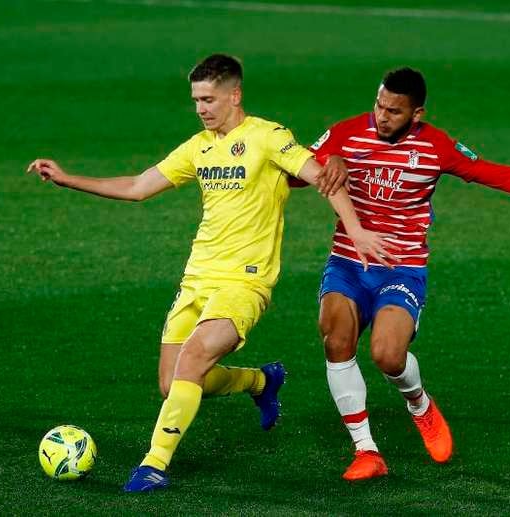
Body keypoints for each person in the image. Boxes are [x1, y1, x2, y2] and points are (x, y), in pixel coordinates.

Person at [27, 54, 393, 492]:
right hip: (197, 279)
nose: (201, 108)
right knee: (172, 383)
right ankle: (260, 381)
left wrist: (357, 232)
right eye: (196, 100)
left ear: (234, 95)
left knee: (194, 359)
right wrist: (69, 179)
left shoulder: (268, 137)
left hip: (245, 281)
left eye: (209, 99)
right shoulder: (198, 147)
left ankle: (153, 465)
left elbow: (323, 178)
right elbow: (139, 187)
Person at [309, 67, 510, 481]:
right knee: (336, 338)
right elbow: (292, 169)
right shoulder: (346, 133)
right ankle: (366, 450)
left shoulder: (436, 147)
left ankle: (419, 403)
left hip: (401, 267)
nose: (382, 116)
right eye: (379, 106)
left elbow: (496, 174)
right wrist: (323, 159)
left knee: (388, 355)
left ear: (416, 113)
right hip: (348, 262)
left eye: (394, 111)